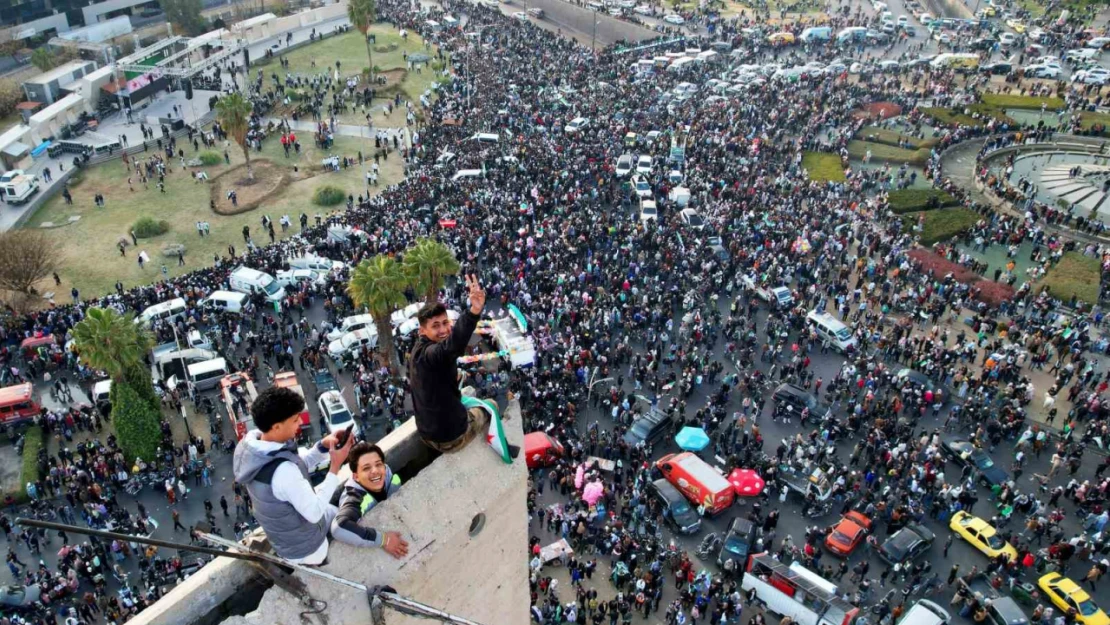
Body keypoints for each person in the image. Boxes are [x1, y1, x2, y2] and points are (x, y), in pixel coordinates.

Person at [233, 386, 352, 564]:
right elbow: (314, 513)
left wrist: (323, 446)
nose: (299, 424)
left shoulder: (253, 446)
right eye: (295, 420)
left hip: (285, 541)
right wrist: (335, 467)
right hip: (308, 549)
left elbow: (297, 463)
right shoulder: (283, 472)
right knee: (343, 516)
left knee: (333, 511)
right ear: (277, 426)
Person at [408, 274, 487, 452]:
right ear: (422, 330)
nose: (443, 330)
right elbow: (449, 348)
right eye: (435, 326)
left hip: (426, 431)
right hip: (449, 437)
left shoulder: (417, 351)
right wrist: (474, 312)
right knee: (491, 407)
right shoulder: (431, 353)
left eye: (445, 323)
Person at [330, 442, 409, 558]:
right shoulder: (354, 496)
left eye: (378, 464)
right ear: (356, 476)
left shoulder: (386, 472)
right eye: (366, 468)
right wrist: (384, 540)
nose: (375, 471)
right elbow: (339, 527)